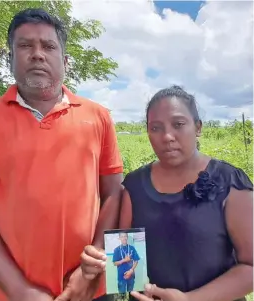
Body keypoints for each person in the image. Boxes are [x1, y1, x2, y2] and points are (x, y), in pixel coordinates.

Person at [0, 8, 123, 301]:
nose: (37, 54)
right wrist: (20, 290)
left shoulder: (98, 116)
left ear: (64, 61)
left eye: (48, 46)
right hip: (11, 293)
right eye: (25, 46)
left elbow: (113, 195)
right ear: (10, 59)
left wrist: (90, 268)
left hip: (89, 289)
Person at [80, 85, 253, 301]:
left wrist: (190, 299)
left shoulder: (230, 183)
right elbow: (125, 256)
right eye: (156, 128)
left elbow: (250, 266)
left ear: (198, 127)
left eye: (178, 124)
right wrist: (96, 263)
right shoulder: (134, 186)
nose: (167, 136)